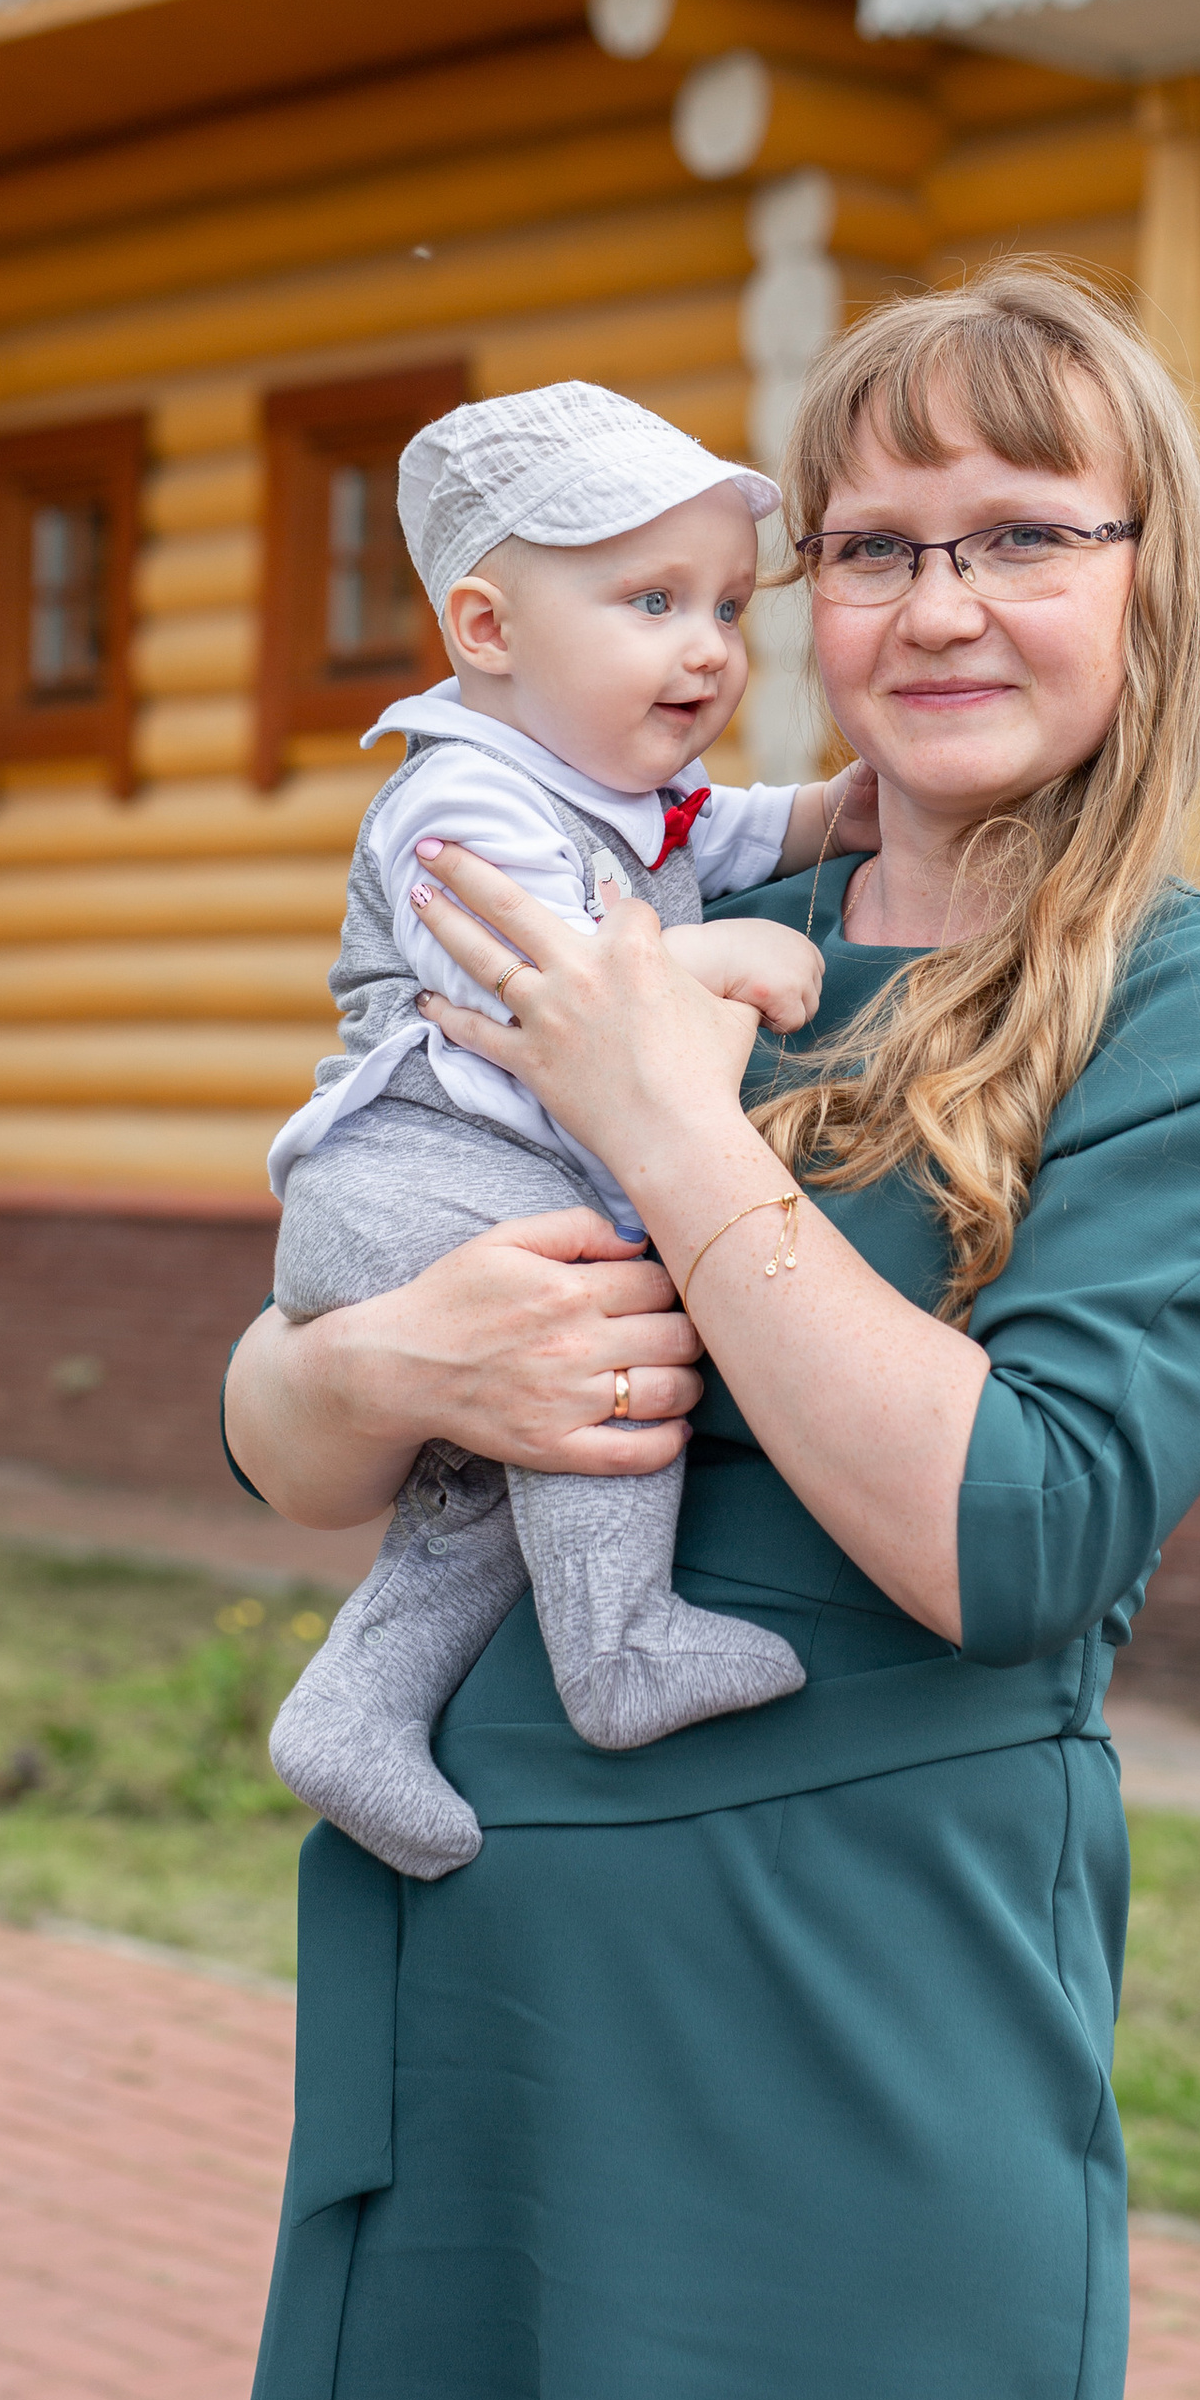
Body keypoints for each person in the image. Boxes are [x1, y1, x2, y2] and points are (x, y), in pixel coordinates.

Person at [193, 267, 1200, 2400]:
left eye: (1020, 534)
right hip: (476, 1990)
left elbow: (1017, 1539)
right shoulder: (647, 900)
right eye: (865, 546)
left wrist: (665, 1122)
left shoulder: (1193, 1008)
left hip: (837, 2027)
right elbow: (288, 1441)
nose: (936, 605)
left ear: (1145, 579)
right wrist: (372, 1366)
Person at [266, 381, 873, 1883]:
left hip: (466, 1188)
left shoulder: (626, 791)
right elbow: (537, 982)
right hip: (417, 1179)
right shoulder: (457, 801)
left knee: (488, 1480)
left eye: (729, 606)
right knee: (605, 1340)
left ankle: (354, 1710)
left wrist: (846, 814)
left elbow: (735, 829)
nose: (708, 646)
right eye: (652, 598)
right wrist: (707, 963)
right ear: (487, 630)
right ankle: (617, 1649)